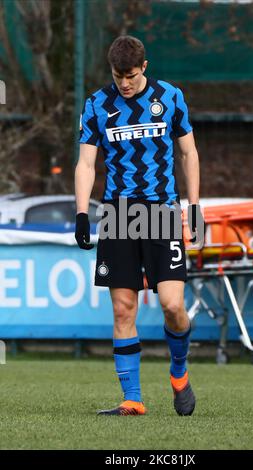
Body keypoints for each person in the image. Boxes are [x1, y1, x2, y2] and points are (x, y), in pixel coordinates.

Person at [75, 36, 201, 416]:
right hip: (117, 214)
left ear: (143, 67)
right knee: (123, 309)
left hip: (162, 210)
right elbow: (85, 163)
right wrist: (82, 212)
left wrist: (194, 208)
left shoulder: (170, 97)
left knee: (172, 305)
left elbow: (188, 152)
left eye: (129, 76)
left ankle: (178, 372)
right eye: (118, 76)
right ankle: (132, 398)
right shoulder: (98, 104)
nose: (124, 83)